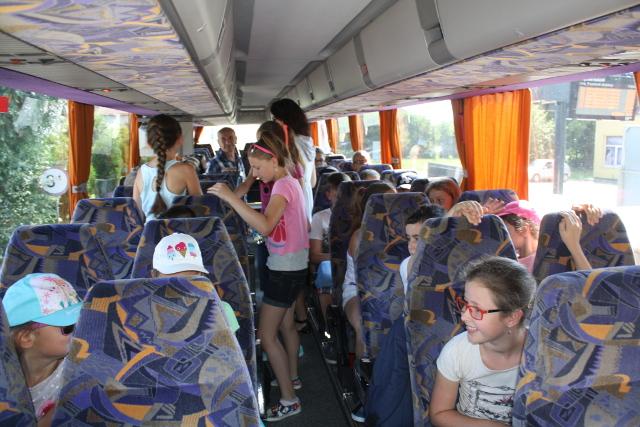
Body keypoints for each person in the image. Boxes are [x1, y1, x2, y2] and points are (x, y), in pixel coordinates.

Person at [209, 130, 308, 422]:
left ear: (274, 160)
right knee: (286, 325)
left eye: (257, 167)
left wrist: (230, 196)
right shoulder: (289, 180)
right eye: (251, 168)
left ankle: (290, 400)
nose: (254, 173)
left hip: (285, 270)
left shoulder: (282, 187)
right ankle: (292, 378)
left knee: (266, 335)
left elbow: (265, 226)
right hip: (294, 265)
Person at [365, 204, 446, 426]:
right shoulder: (408, 265)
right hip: (413, 334)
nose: (411, 245)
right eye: (409, 238)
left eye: (418, 239)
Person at [430, 257, 536, 426]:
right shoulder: (457, 352)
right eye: (465, 304)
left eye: (477, 309)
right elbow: (439, 414)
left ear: (512, 317)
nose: (464, 316)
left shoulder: (541, 355)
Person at [3, 273, 82, 426]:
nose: (80, 331)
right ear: (27, 337)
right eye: (68, 327)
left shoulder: (77, 376)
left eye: (82, 321)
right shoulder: (5, 382)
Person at [151, 233, 239, 333]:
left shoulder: (221, 310)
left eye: (191, 279)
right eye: (173, 279)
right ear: (154, 275)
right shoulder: (143, 310)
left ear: (201, 276)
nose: (182, 287)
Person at [496, 200, 599, 273]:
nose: (500, 235)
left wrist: (574, 245)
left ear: (524, 229)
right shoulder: (506, 259)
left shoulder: (554, 257)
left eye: (505, 229)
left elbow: (588, 283)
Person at [133, 114, 202, 222]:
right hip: (177, 232)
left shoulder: (141, 172)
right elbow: (201, 209)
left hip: (148, 232)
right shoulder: (186, 170)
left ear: (149, 143)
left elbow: (136, 215)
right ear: (180, 139)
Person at [309, 173, 351, 336]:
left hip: (352, 262)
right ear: (328, 195)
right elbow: (314, 255)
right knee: (327, 271)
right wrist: (337, 257)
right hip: (329, 262)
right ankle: (330, 328)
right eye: (337, 192)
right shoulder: (320, 218)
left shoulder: (359, 216)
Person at [270, 98, 316, 222]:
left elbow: (293, 179)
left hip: (293, 201)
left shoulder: (288, 145)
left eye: (275, 119)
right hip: (307, 198)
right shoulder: (308, 141)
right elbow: (312, 182)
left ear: (283, 120)